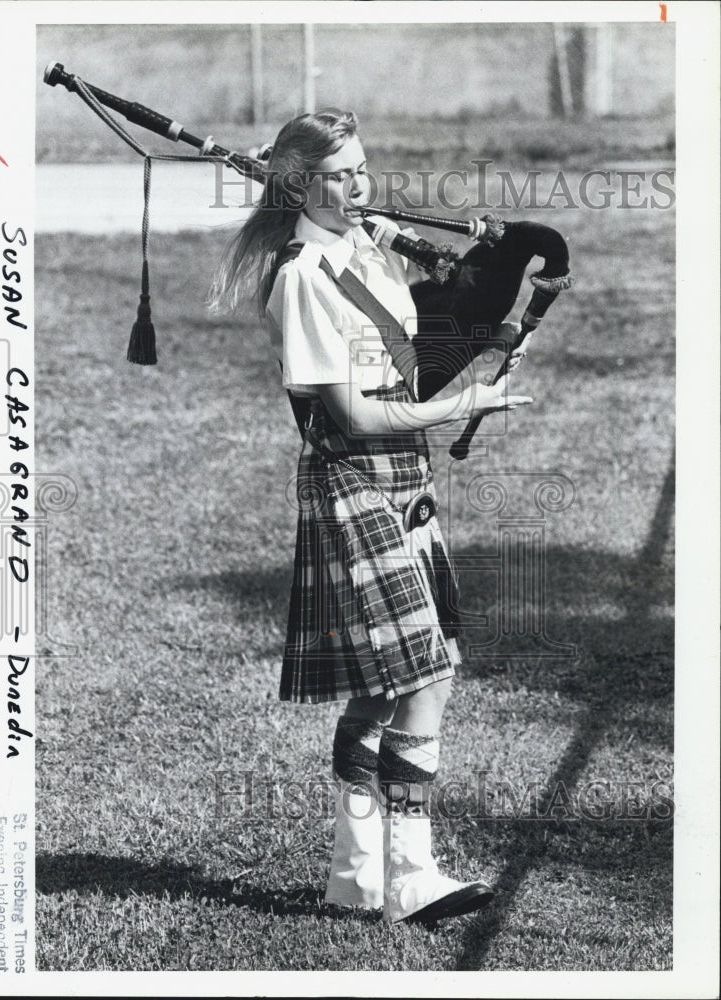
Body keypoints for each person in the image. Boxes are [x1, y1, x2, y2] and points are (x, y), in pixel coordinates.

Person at [209, 109, 532, 924]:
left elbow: (406, 361)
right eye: (338, 175)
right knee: (422, 675)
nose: (358, 186)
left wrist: (487, 340)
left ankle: (356, 876)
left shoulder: (363, 252)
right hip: (352, 478)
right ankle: (410, 873)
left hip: (403, 481)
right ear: (296, 185)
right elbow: (359, 415)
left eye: (362, 169)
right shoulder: (301, 278)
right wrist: (465, 402)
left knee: (388, 687)